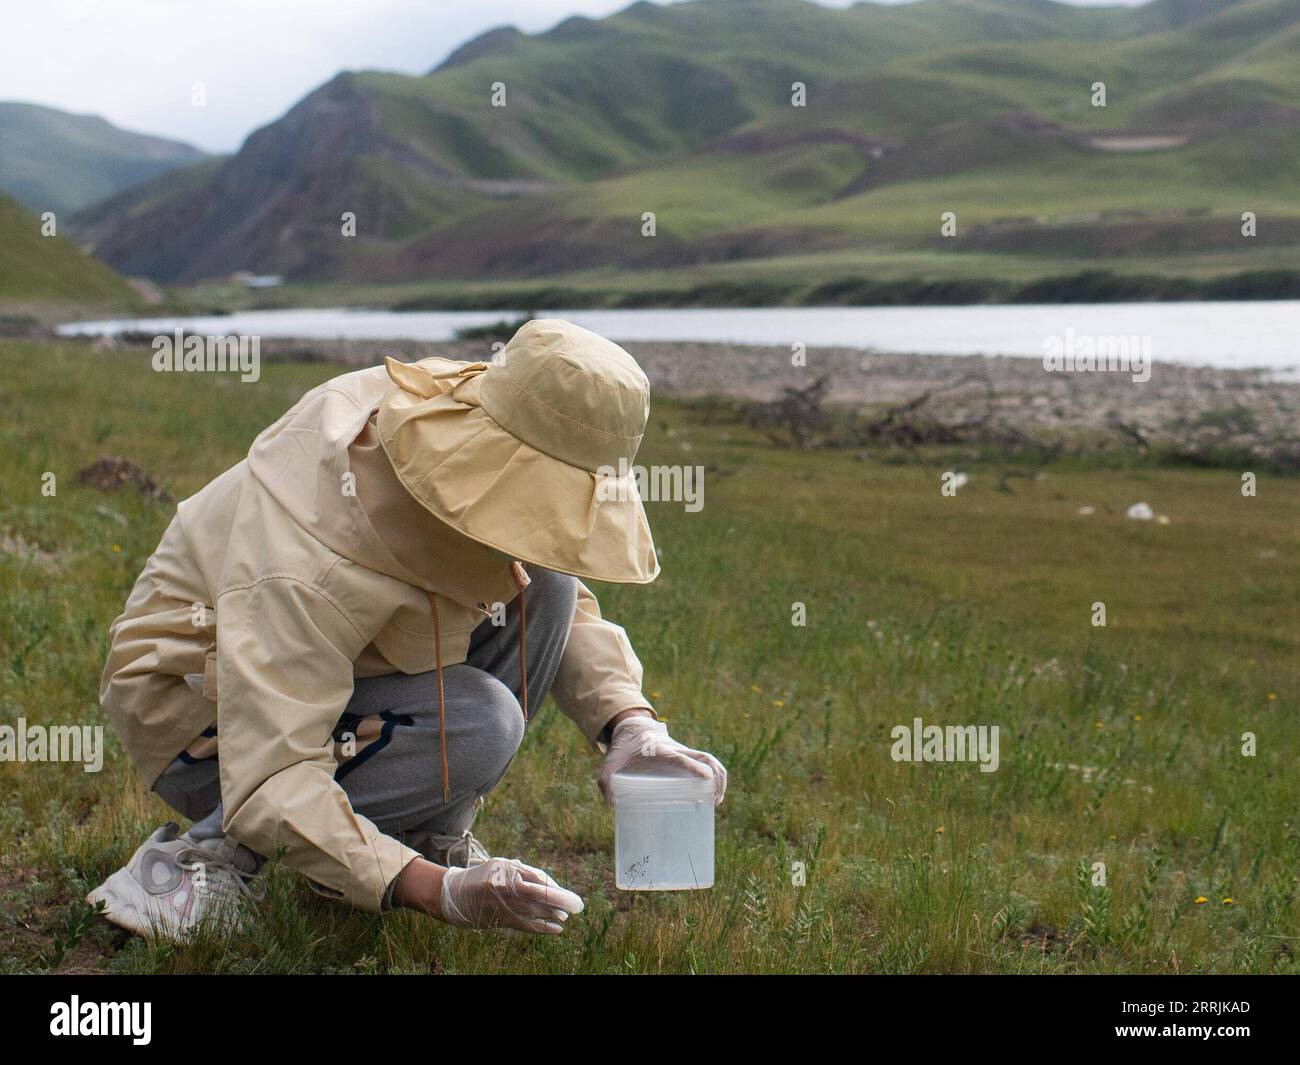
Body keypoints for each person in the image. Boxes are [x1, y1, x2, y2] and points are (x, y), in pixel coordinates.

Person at [88, 318, 727, 939]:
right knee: (480, 721)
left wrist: (631, 725)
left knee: (548, 587)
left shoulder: (461, 414)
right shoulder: (310, 559)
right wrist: (429, 891)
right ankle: (210, 857)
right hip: (201, 717)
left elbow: (557, 599)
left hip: (341, 674)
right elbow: (270, 771)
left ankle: (415, 834)